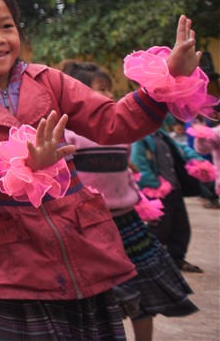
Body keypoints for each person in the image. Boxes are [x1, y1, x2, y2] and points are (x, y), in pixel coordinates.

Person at [0, 0, 207, 340]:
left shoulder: (50, 81)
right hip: (7, 263)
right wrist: (22, 163)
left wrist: (165, 83)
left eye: (6, 26)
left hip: (79, 250)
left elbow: (113, 122)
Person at [61, 60, 197, 341]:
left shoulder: (121, 133)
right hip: (88, 226)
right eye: (101, 89)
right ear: (80, 95)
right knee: (99, 299)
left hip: (127, 221)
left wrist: (132, 171)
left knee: (143, 292)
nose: (109, 95)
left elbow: (124, 164)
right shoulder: (70, 135)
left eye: (110, 90)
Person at [132, 119, 210, 274]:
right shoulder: (140, 138)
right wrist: (155, 185)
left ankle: (176, 259)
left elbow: (182, 149)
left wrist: (198, 161)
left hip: (175, 189)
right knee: (160, 228)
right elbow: (139, 164)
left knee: (181, 227)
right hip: (159, 192)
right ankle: (149, 262)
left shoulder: (161, 135)